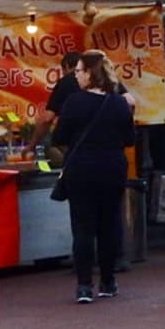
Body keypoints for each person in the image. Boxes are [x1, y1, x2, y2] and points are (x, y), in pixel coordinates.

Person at [52, 51, 136, 303]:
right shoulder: (119, 103)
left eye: (78, 71)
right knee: (109, 224)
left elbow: (59, 138)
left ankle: (84, 285)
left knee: (83, 227)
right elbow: (130, 139)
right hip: (112, 168)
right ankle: (108, 281)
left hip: (81, 170)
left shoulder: (74, 103)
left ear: (89, 73)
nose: (76, 75)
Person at [30, 51, 82, 149]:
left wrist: (32, 145)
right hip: (101, 142)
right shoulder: (97, 82)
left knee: (48, 146)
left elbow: (47, 118)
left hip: (72, 142)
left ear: (66, 66)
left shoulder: (66, 82)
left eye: (63, 70)